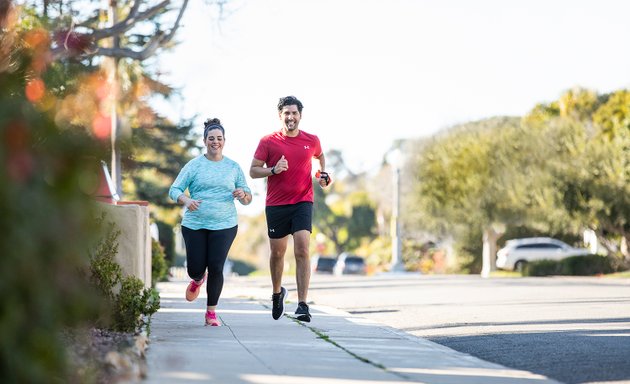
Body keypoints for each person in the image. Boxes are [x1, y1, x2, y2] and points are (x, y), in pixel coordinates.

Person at [250, 96, 331, 322]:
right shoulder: (268, 142)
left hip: (302, 202)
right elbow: (254, 171)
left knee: (303, 249)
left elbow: (320, 157)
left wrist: (322, 174)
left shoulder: (312, 140)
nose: (290, 117)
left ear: (300, 116)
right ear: (280, 116)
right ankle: (277, 293)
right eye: (286, 113)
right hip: (276, 204)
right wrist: (274, 169)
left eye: (294, 113)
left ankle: (303, 304)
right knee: (277, 253)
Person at [169, 118, 252, 326]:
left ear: (224, 141)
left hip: (225, 224)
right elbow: (174, 190)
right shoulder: (194, 165)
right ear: (205, 140)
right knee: (195, 268)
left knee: (216, 267)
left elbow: (248, 197)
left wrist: (242, 194)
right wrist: (186, 200)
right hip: (194, 224)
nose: (216, 142)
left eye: (219, 138)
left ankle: (211, 313)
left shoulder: (233, 167)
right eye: (212, 138)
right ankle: (197, 279)